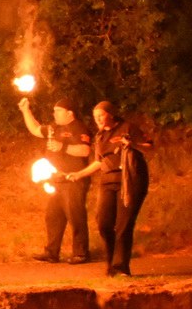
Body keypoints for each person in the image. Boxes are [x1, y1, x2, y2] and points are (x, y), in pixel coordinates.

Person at [65, 101, 154, 277]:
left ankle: (120, 268)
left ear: (110, 115)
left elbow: (150, 147)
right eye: (95, 116)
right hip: (108, 181)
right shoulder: (100, 136)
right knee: (104, 224)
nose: (97, 119)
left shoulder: (128, 128)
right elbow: (99, 162)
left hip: (130, 181)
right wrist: (79, 174)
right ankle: (112, 263)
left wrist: (132, 144)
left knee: (123, 225)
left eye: (101, 115)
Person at [18, 96, 94, 263]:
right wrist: (26, 110)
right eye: (54, 111)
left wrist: (63, 147)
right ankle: (52, 252)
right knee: (53, 216)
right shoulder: (54, 128)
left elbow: (84, 151)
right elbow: (36, 129)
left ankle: (81, 253)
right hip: (56, 180)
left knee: (75, 216)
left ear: (70, 113)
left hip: (74, 179)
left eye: (58, 111)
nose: (55, 114)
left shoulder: (79, 128)